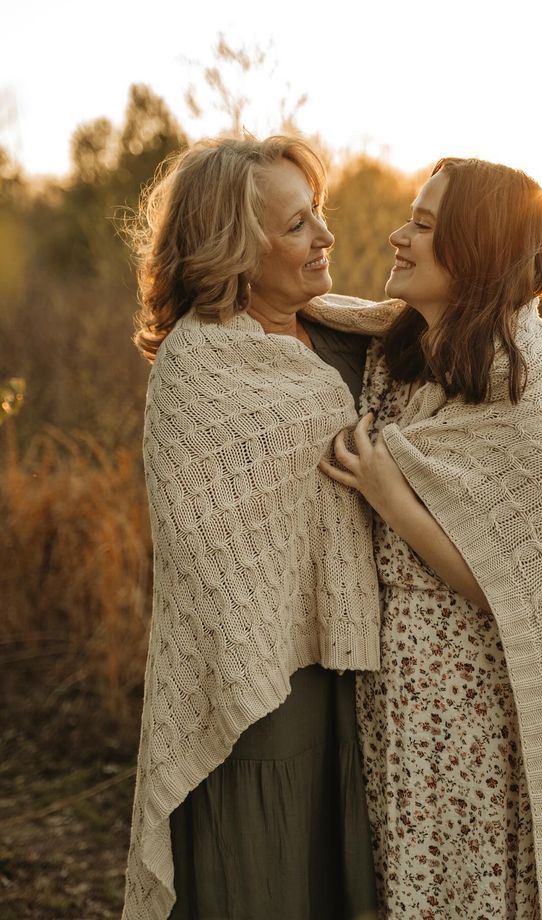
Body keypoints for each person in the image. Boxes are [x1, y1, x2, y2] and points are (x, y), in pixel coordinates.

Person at [313, 157, 542, 919]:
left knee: (467, 889)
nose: (400, 237)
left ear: (473, 250)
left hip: (470, 689)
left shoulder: (523, 379)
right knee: (408, 883)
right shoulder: (403, 349)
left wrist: (387, 493)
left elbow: (514, 581)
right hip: (396, 678)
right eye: (411, 218)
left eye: (426, 226)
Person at [121, 135, 382, 920]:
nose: (325, 237)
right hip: (258, 694)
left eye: (320, 214)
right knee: (266, 886)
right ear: (235, 248)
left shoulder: (346, 332)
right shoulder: (199, 371)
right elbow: (205, 554)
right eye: (298, 224)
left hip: (359, 670)